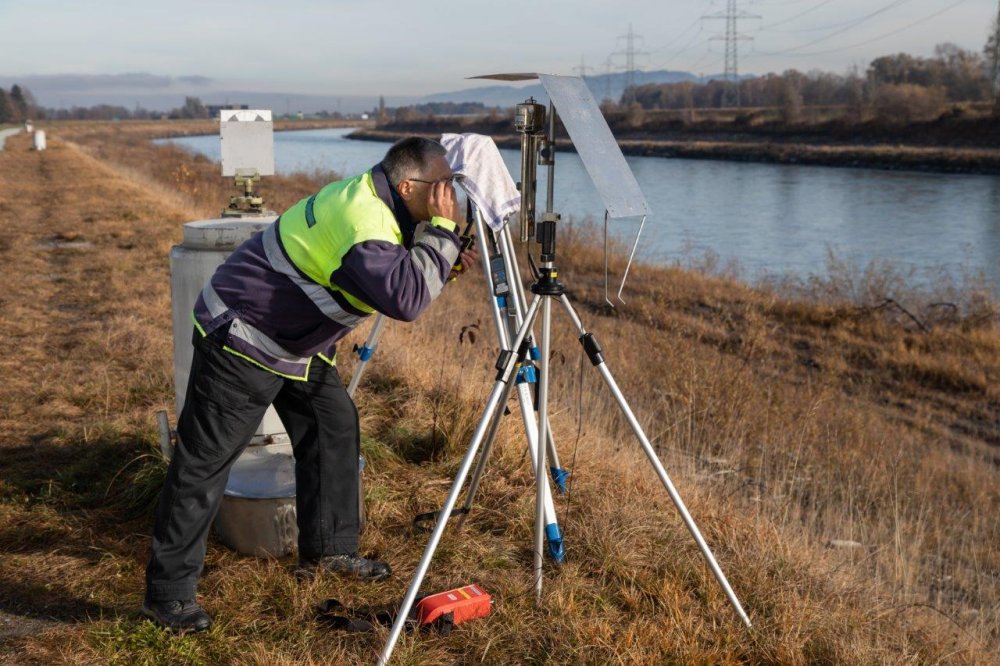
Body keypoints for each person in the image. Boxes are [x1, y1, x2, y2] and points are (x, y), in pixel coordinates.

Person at [142, 137, 477, 632]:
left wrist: (440, 260)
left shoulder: (379, 201)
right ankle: (167, 596)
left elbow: (390, 272)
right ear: (408, 186)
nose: (450, 194)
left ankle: (328, 552)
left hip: (293, 340)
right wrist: (444, 234)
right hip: (244, 333)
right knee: (205, 461)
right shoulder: (362, 221)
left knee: (332, 424)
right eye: (443, 184)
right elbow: (404, 299)